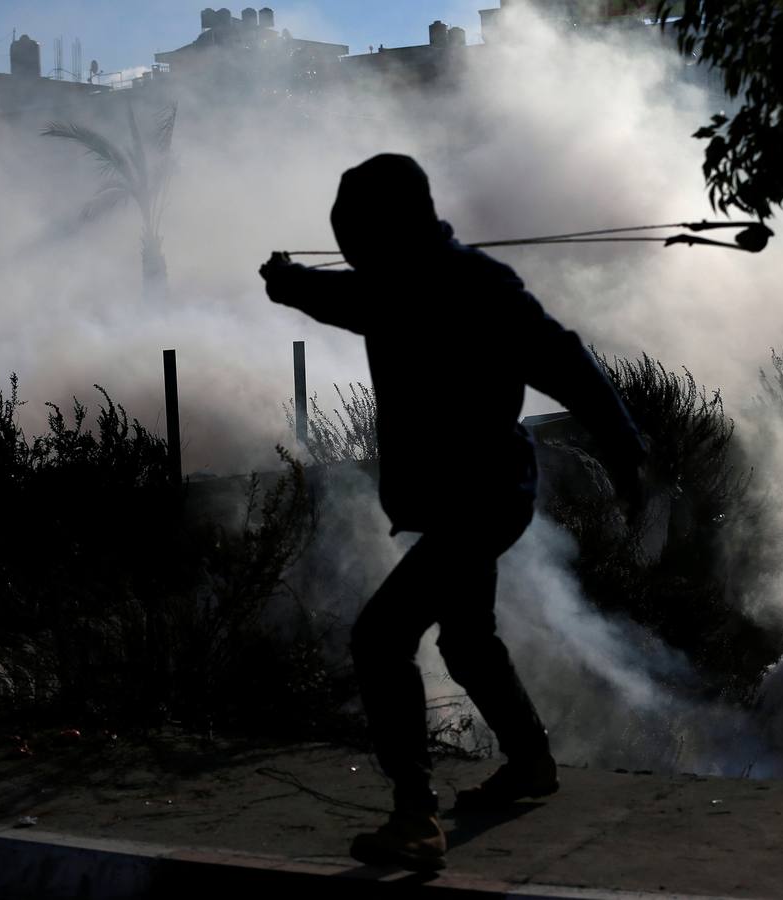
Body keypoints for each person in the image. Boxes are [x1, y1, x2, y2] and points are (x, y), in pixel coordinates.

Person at [260, 154, 647, 871]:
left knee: (381, 637)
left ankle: (414, 817)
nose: (348, 245)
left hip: (480, 498)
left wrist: (283, 281)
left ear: (385, 226)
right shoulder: (425, 282)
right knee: (465, 639)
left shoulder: (451, 287)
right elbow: (349, 297)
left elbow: (561, 360)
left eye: (354, 231)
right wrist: (289, 285)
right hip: (474, 497)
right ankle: (530, 761)